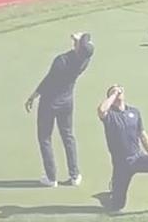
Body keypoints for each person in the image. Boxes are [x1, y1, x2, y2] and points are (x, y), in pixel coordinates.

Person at [25, 33, 95, 187]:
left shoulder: (61, 61)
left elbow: (48, 81)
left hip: (49, 103)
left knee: (45, 138)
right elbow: (81, 50)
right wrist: (78, 41)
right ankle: (74, 175)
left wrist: (33, 95)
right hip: (67, 102)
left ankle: (51, 178)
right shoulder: (85, 59)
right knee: (68, 136)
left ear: (78, 48)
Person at [97, 85, 148, 214]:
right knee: (117, 206)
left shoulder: (134, 112)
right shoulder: (110, 115)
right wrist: (113, 95)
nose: (118, 92)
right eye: (113, 91)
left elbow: (142, 135)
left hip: (137, 158)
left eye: (119, 90)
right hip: (121, 164)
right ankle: (112, 192)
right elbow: (101, 110)